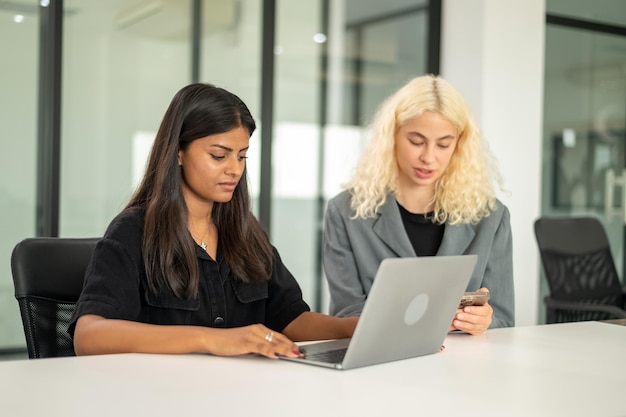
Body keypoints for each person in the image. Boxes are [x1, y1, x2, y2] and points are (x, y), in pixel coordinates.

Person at [69, 83, 358, 359]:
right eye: (219, 156)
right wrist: (210, 339)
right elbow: (89, 336)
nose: (234, 170)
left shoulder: (246, 232)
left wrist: (352, 328)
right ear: (178, 152)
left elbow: (289, 318)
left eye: (242, 156)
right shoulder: (133, 232)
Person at [323, 74, 514, 335]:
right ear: (391, 136)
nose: (428, 157)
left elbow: (504, 318)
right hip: (381, 364)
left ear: (459, 144)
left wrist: (485, 321)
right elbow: (345, 314)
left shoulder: (491, 216)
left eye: (444, 144)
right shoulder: (346, 211)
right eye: (416, 141)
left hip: (462, 368)